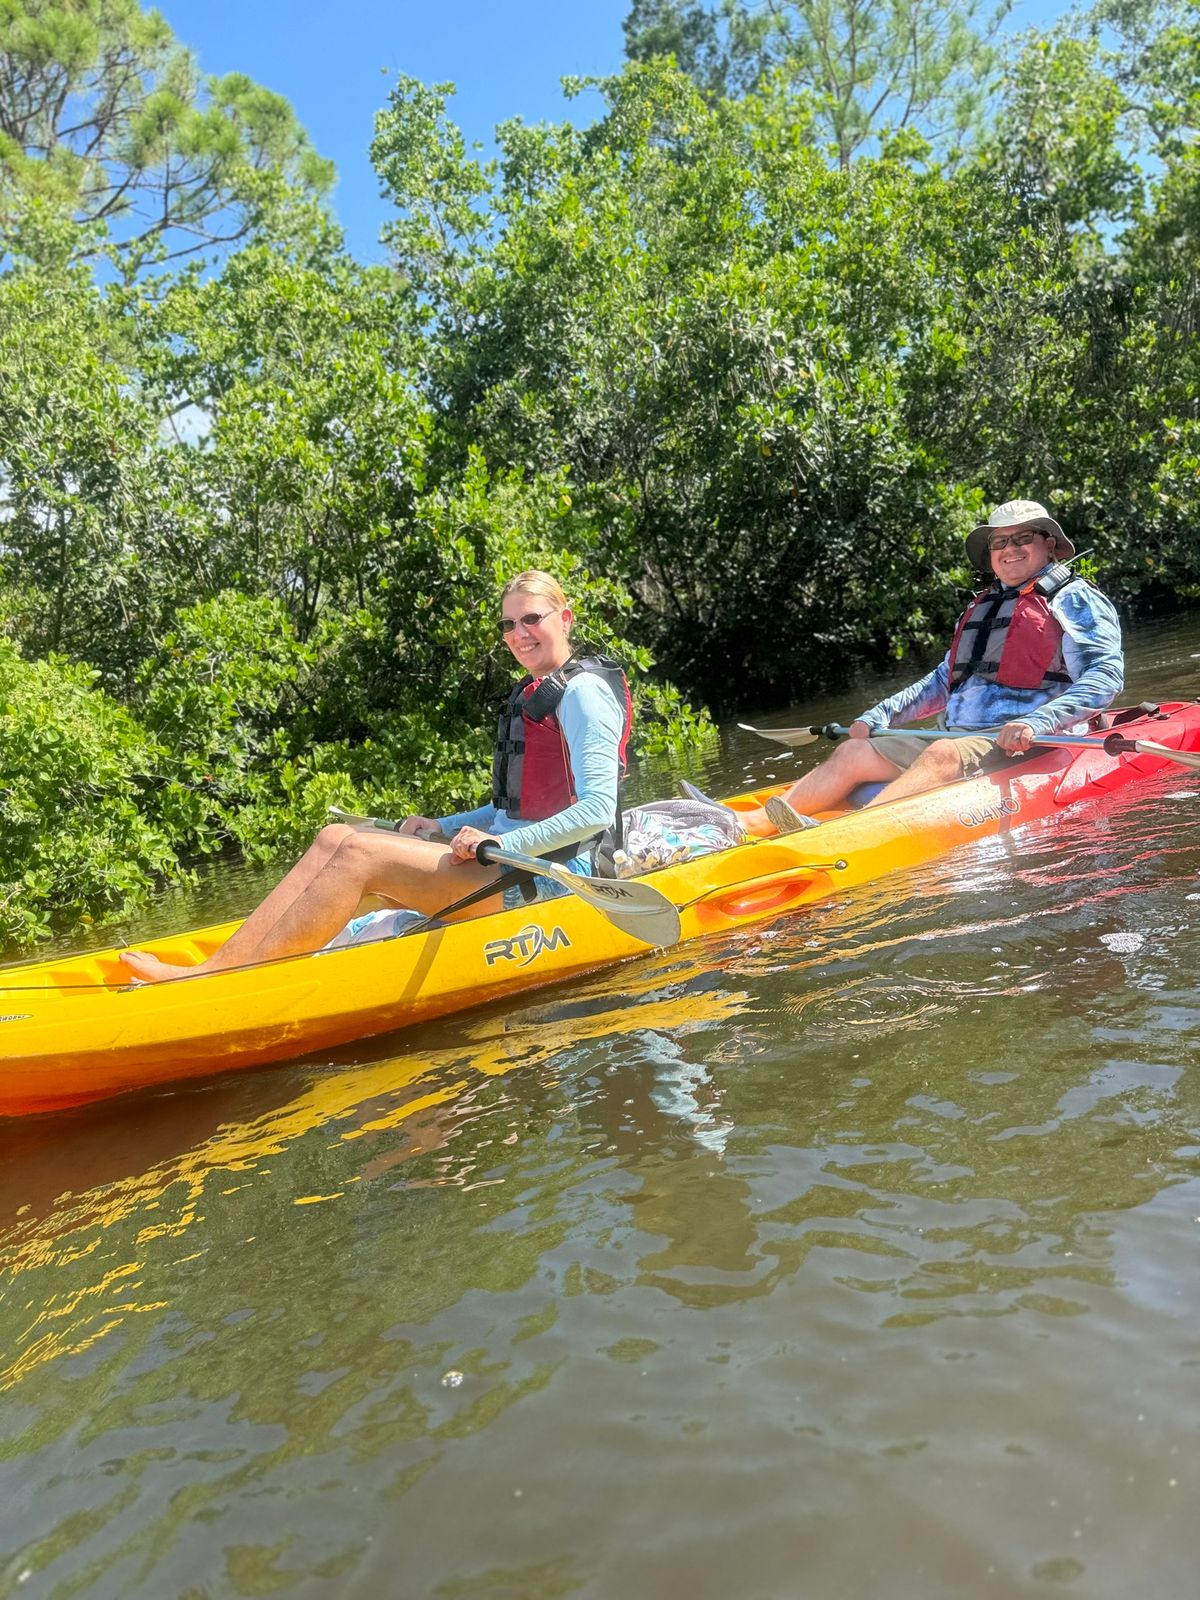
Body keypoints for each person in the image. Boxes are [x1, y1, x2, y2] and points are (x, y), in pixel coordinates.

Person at [120, 571, 631, 982]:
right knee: (337, 836)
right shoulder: (535, 690)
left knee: (361, 853)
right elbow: (511, 807)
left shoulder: (583, 693)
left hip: (553, 878)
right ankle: (223, 966)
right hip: (509, 860)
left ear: (563, 619)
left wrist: (495, 841)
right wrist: (441, 825)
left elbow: (595, 811)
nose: (519, 634)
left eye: (532, 619)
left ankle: (220, 980)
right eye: (508, 625)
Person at [737, 499, 1124, 836]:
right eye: (999, 542)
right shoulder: (984, 605)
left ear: (1049, 545)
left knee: (942, 753)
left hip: (1031, 740)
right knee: (855, 751)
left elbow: (1104, 676)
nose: (1010, 549)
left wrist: (1038, 722)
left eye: (1022, 538)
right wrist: (880, 713)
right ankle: (746, 826)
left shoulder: (1074, 599)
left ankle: (849, 832)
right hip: (963, 737)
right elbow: (943, 681)